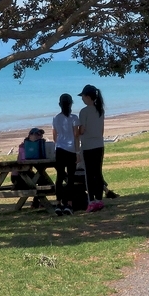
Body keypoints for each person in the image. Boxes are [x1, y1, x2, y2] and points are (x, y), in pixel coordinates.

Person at [77, 84, 106, 213]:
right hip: (99, 144)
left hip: (88, 146)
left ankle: (91, 201)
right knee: (98, 172)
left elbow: (82, 130)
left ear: (87, 96)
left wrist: (77, 132)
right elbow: (102, 130)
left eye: (83, 96)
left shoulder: (84, 111)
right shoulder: (100, 109)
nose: (82, 99)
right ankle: (99, 200)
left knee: (89, 174)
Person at [52, 93, 80, 215]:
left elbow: (54, 137)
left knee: (59, 177)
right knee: (70, 178)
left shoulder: (56, 118)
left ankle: (58, 203)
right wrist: (78, 152)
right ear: (71, 103)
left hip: (60, 149)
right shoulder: (74, 118)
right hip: (71, 150)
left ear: (60, 104)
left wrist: (60, 143)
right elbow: (76, 136)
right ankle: (69, 204)